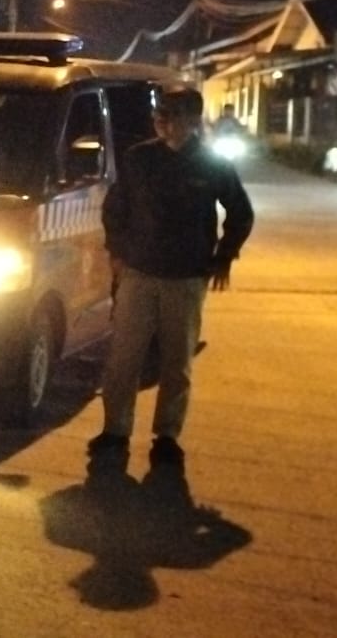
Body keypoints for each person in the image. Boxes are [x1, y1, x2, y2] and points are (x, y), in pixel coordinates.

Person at [90, 87, 253, 467]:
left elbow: (241, 213)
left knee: (176, 363)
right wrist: (118, 254)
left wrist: (224, 257)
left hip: (186, 277)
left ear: (193, 120)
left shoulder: (212, 164)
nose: (162, 121)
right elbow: (115, 209)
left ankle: (167, 436)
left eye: (172, 114)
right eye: (159, 113)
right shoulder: (139, 158)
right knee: (123, 358)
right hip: (139, 274)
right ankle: (115, 430)